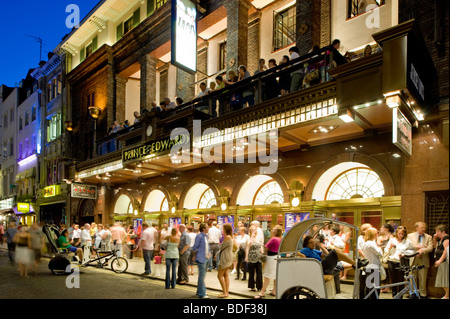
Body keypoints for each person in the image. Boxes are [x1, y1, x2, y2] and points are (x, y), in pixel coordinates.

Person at [384, 226, 415, 298]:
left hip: (400, 262)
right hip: (391, 261)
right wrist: (390, 247)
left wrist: (404, 255)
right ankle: (394, 296)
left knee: (400, 280)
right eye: (399, 233)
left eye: (402, 234)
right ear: (396, 233)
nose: (400, 235)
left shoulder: (407, 241)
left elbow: (411, 251)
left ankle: (400, 296)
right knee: (393, 280)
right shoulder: (392, 240)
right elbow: (386, 250)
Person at [255, 225, 283, 299]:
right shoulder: (280, 239)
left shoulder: (273, 238)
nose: (272, 230)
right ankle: (274, 291)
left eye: (273, 229)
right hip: (277, 257)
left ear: (276, 231)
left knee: (267, 276)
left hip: (271, 258)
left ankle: (262, 292)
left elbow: (266, 246)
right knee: (275, 276)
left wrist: (264, 254)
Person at [407, 221, 433, 298]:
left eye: (424, 227)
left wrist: (422, 250)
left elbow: (430, 247)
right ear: (417, 228)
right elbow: (409, 246)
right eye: (422, 227)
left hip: (423, 259)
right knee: (412, 277)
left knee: (423, 277)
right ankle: (412, 293)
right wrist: (420, 246)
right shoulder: (410, 236)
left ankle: (423, 294)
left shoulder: (428, 237)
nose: (424, 229)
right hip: (413, 259)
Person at [361, 227, 383, 299]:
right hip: (374, 267)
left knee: (369, 287)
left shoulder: (366, 243)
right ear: (373, 234)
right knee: (375, 288)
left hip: (369, 267)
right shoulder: (371, 243)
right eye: (376, 233)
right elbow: (379, 253)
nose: (378, 235)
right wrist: (379, 245)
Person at [191, 223, 210, 298]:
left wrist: (209, 253)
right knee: (202, 277)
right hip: (201, 258)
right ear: (203, 229)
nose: (208, 228)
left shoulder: (205, 236)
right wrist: (195, 255)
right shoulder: (199, 236)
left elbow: (206, 247)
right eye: (207, 227)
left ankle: (199, 291)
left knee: (202, 276)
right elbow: (195, 247)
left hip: (205, 258)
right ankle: (202, 293)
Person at [217, 223, 233, 298]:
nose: (222, 230)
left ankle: (225, 292)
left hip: (225, 258)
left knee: (219, 275)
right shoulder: (230, 237)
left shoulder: (227, 237)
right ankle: (226, 292)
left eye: (223, 229)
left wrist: (221, 242)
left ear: (226, 229)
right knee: (226, 275)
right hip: (228, 257)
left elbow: (221, 247)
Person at [433, 224, 449, 299]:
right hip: (441, 262)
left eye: (437, 231)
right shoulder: (441, 240)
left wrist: (440, 260)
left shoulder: (446, 239)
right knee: (441, 280)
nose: (436, 233)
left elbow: (446, 251)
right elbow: (435, 247)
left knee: (444, 279)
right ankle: (447, 295)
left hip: (445, 262)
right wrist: (434, 238)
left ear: (442, 231)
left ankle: (447, 295)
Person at [246, 226, 264, 292]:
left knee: (259, 272)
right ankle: (252, 286)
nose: (254, 231)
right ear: (250, 231)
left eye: (255, 230)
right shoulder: (249, 238)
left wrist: (262, 252)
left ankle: (259, 286)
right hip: (251, 256)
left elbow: (261, 245)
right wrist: (246, 257)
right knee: (251, 272)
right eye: (252, 230)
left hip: (258, 256)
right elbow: (249, 245)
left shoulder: (259, 237)